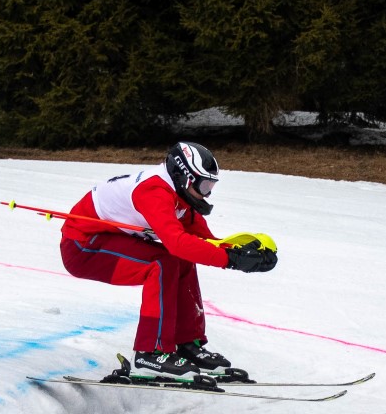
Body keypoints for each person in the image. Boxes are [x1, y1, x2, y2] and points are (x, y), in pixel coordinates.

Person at [59, 141, 277, 379]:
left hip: (110, 238)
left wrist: (245, 252)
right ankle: (149, 353)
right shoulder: (154, 192)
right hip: (81, 247)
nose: (207, 193)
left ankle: (186, 343)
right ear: (183, 176)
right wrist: (230, 259)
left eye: (211, 186)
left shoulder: (179, 195)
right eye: (204, 185)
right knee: (161, 264)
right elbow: (177, 243)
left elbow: (205, 242)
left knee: (181, 259)